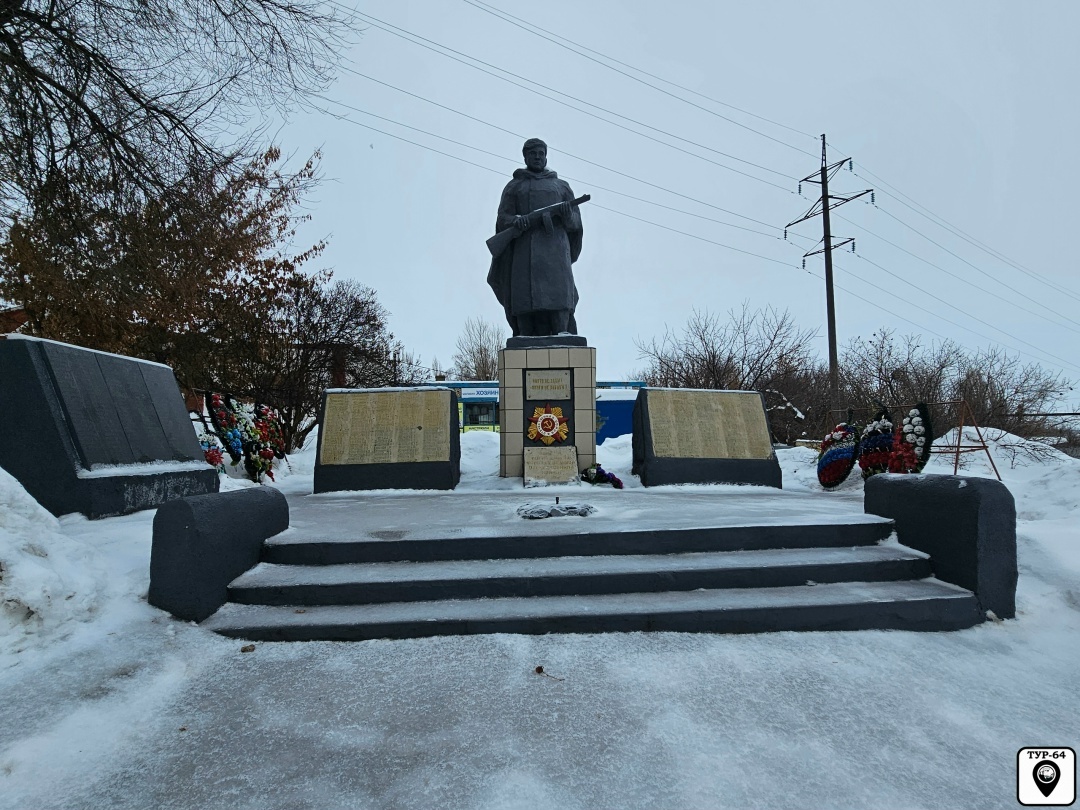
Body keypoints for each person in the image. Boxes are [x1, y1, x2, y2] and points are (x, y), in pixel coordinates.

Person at [486, 138, 584, 337]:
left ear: (546, 156)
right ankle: (524, 334)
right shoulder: (515, 187)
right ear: (525, 157)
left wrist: (566, 215)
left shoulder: (561, 187)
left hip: (556, 251)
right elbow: (502, 218)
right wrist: (516, 221)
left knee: (559, 293)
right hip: (524, 250)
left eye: (541, 153)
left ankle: (562, 332)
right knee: (524, 295)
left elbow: (576, 223)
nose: (538, 157)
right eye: (533, 154)